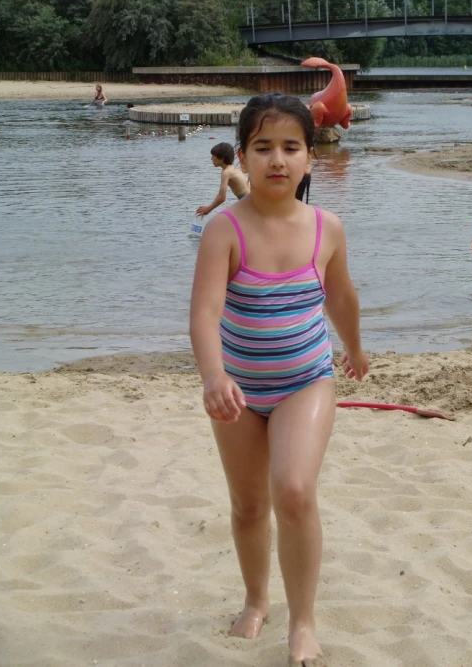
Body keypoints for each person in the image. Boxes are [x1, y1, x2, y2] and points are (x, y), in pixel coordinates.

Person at [189, 94, 369, 666]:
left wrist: (356, 350)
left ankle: (304, 624)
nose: (277, 160)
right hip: (238, 388)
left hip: (305, 382)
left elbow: (341, 298)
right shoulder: (224, 230)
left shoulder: (327, 227)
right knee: (247, 506)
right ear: (242, 155)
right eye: (263, 147)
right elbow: (204, 314)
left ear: (311, 158)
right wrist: (213, 377)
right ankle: (256, 599)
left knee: (292, 490)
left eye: (291, 147)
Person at [196, 143, 250, 217]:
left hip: (247, 201)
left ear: (222, 158)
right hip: (251, 198)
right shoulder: (232, 168)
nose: (211, 158)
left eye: (213, 156)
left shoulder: (226, 172)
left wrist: (208, 209)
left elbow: (222, 197)